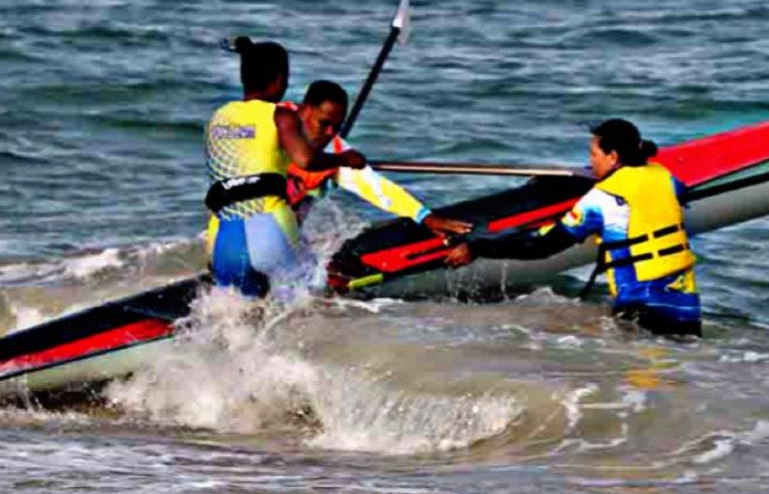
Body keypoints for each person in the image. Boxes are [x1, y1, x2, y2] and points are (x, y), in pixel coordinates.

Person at [446, 119, 701, 337]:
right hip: (687, 311)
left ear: (613, 157)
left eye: (593, 155)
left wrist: (477, 247)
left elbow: (541, 247)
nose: (590, 161)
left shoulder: (601, 200)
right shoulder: (665, 178)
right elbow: (647, 186)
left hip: (643, 312)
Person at [205, 37, 366, 298]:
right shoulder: (281, 116)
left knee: (238, 320)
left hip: (221, 239)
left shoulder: (219, 117)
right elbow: (305, 160)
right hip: (269, 230)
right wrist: (344, 159)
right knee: (308, 302)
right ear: (280, 80)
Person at [281, 80, 471, 236]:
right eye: (323, 124)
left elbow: (377, 189)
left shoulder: (337, 151)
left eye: (337, 127)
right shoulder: (271, 120)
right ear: (304, 111)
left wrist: (426, 217)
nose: (330, 133)